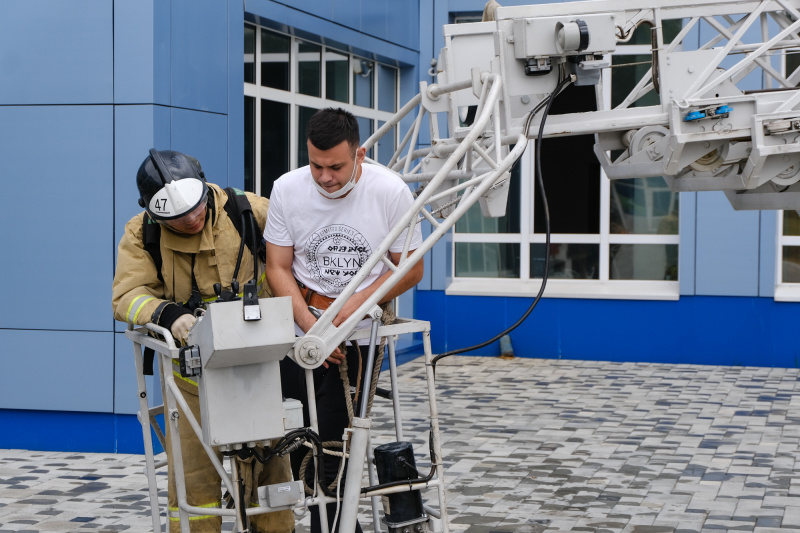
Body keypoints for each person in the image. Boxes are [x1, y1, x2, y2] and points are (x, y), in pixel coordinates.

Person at [112, 149, 294, 533]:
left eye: (196, 211)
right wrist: (167, 315)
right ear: (154, 213)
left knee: (272, 464)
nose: (192, 220)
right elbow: (126, 296)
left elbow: (298, 249)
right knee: (194, 476)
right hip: (190, 377)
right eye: (178, 220)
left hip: (256, 363)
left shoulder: (246, 211)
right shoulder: (141, 232)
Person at [264, 108, 424, 533]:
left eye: (336, 166)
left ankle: (333, 527)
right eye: (316, 165)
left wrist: (352, 309)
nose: (325, 177)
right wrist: (314, 328)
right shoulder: (287, 188)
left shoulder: (388, 191)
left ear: (360, 153)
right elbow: (277, 267)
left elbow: (410, 268)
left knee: (334, 444)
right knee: (294, 440)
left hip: (357, 338)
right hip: (301, 331)